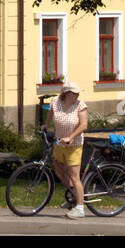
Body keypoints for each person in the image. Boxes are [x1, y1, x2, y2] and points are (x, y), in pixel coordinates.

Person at [44, 79, 89, 219]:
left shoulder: (80, 105)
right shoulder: (55, 102)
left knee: (75, 177)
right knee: (59, 169)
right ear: (65, 93)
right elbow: (51, 112)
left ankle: (80, 208)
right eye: (73, 93)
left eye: (77, 93)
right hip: (59, 143)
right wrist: (45, 125)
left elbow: (84, 125)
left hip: (74, 145)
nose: (76, 96)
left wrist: (71, 137)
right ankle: (73, 196)